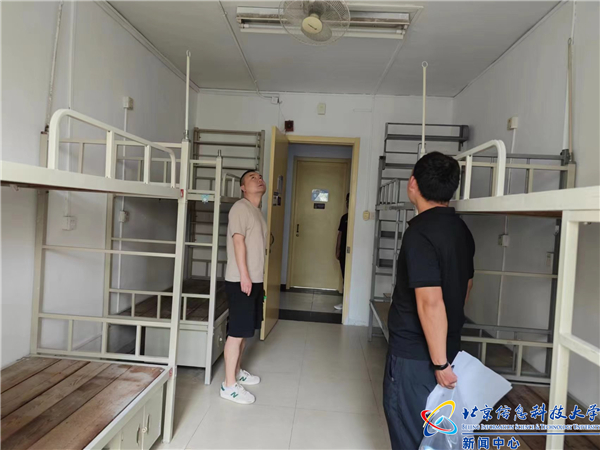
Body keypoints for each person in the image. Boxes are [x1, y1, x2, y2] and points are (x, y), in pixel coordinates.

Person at [383, 152, 475, 449]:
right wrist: (445, 349)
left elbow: (430, 302)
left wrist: (439, 362)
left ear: (413, 183)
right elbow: (466, 285)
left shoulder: (420, 233)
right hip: (447, 346)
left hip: (416, 355)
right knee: (434, 433)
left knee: (409, 430)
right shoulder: (462, 230)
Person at [220, 170, 267, 405]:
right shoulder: (240, 207)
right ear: (243, 187)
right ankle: (228, 386)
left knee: (245, 330)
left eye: (260, 177)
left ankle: (237, 372)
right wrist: (245, 277)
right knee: (236, 333)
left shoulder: (256, 212)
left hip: (253, 280)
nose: (258, 179)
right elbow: (238, 242)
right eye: (252, 178)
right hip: (242, 280)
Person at [334, 193, 350, 310]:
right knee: (345, 276)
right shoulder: (344, 218)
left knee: (351, 277)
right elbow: (340, 234)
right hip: (344, 252)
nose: (348, 203)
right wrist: (337, 249)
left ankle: (349, 304)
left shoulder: (357, 218)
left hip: (353, 253)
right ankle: (345, 302)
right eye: (347, 201)